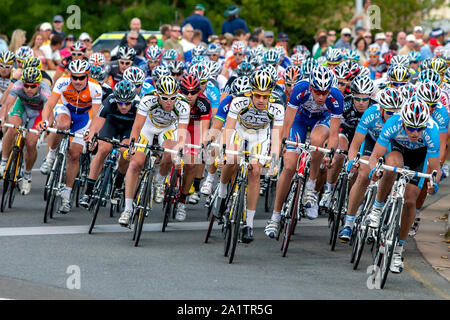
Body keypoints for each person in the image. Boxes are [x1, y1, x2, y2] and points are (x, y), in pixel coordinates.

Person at [264, 66, 343, 238]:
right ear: (310, 87)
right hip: (300, 119)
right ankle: (275, 217)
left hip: (322, 120)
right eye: (317, 92)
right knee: (289, 166)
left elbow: (334, 134)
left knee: (316, 141)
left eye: (325, 92)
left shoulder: (336, 97)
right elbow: (288, 121)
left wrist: (330, 153)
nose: (321, 96)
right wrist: (283, 142)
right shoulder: (300, 88)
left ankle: (310, 186)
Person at [367, 97, 441, 274]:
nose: (415, 133)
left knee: (409, 201)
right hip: (397, 150)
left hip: (419, 156)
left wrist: (433, 184)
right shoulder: (394, 122)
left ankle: (398, 248)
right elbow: (375, 156)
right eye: (410, 128)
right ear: (404, 122)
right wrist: (374, 171)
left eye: (419, 128)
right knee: (392, 167)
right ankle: (377, 208)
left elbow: (435, 169)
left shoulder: (432, 131)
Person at [215, 70, 283, 243]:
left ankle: (249, 225)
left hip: (259, 136)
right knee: (232, 160)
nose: (261, 100)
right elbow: (228, 129)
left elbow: (276, 137)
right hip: (239, 132)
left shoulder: (277, 106)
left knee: (255, 171)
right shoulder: (239, 101)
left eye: (265, 96)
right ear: (251, 92)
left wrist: (274, 162)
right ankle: (222, 192)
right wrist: (222, 153)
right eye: (257, 95)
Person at [117, 75, 190, 226]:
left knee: (170, 154)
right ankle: (128, 209)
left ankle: (159, 181)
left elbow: (182, 134)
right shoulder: (147, 99)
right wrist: (132, 145)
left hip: (167, 129)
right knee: (136, 164)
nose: (169, 102)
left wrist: (179, 150)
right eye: (165, 98)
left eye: (173, 98)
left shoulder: (183, 105)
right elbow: (137, 127)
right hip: (147, 128)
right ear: (157, 95)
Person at [338, 87, 403, 241]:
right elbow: (355, 145)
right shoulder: (371, 113)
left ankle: (381, 210)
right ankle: (348, 223)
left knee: (391, 172)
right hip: (371, 144)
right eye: (389, 112)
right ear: (381, 109)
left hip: (391, 146)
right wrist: (351, 162)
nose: (392, 116)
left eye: (396, 112)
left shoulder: (401, 120)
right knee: (363, 175)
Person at [39, 59, 102, 214]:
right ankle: (51, 156)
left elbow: (95, 116)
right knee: (61, 126)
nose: (78, 81)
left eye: (81, 77)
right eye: (75, 77)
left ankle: (67, 195)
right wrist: (45, 121)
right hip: (65, 109)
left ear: (87, 75)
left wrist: (92, 132)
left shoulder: (95, 87)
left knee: (74, 154)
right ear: (70, 75)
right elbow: (49, 105)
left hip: (84, 117)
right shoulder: (62, 82)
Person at [80, 80, 139, 208]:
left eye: (127, 103)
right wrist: (92, 136)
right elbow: (96, 123)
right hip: (111, 124)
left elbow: (139, 128)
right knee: (103, 149)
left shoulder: (139, 105)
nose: (123, 106)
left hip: (129, 128)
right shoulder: (110, 100)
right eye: (121, 103)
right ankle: (88, 192)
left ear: (133, 100)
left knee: (125, 152)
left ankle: (118, 183)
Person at [0, 67, 51, 194]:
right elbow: (7, 104)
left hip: (37, 113)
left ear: (38, 85)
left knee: (30, 143)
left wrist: (45, 123)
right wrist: (1, 118)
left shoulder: (45, 91)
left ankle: (27, 175)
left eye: (32, 86)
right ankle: (4, 162)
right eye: (26, 85)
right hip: (22, 108)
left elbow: (49, 110)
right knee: (12, 127)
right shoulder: (18, 86)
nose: (28, 89)